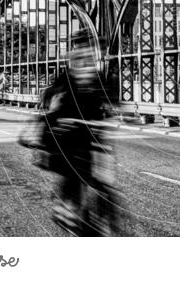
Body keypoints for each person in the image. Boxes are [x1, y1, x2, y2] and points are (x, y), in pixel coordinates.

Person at [42, 29, 112, 234]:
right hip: (68, 135)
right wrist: (59, 117)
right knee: (72, 174)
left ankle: (95, 217)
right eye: (82, 47)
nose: (86, 57)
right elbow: (52, 100)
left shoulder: (96, 75)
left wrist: (113, 112)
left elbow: (107, 99)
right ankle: (65, 208)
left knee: (98, 177)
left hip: (91, 134)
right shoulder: (66, 77)